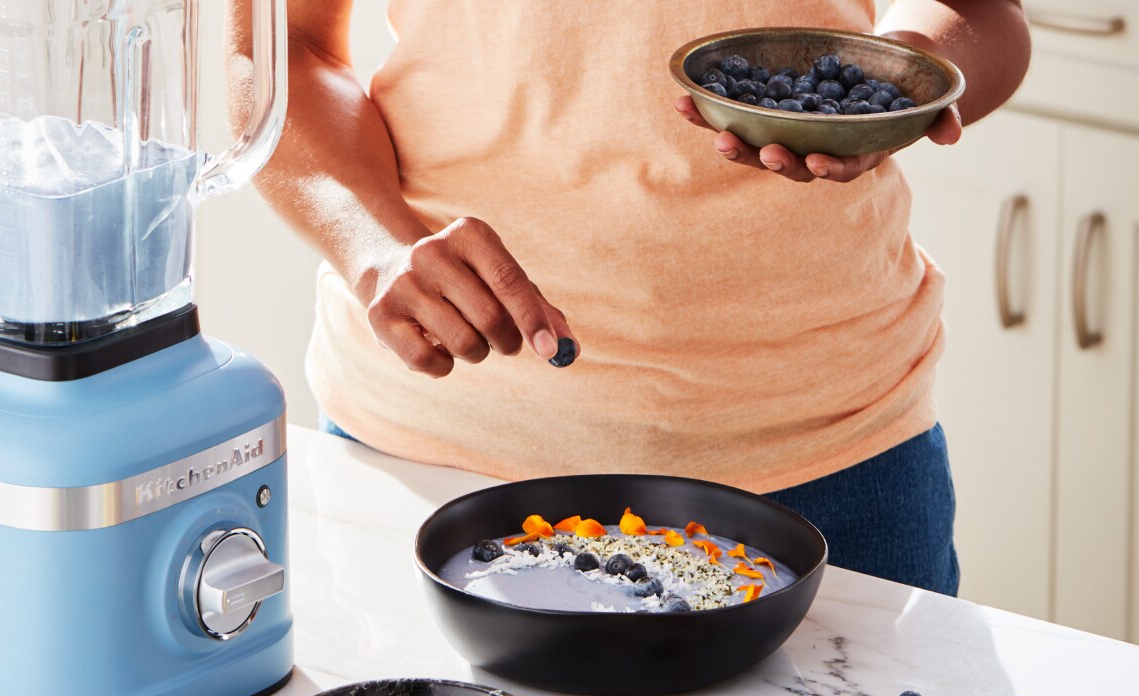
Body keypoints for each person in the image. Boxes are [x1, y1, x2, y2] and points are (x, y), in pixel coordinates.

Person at [228, 1, 1031, 595]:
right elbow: (272, 48)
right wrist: (375, 246)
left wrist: (891, 76)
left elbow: (985, 15)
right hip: (435, 457)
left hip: (829, 457)